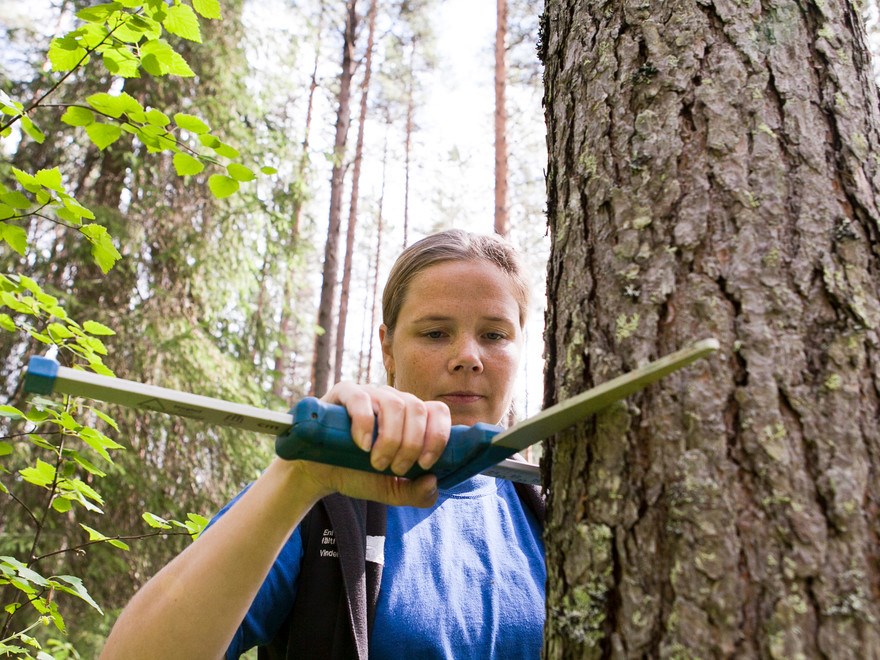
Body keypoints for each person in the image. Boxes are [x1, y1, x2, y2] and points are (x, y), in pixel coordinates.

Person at [100, 229, 546, 659]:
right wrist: (300, 478)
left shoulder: (553, 510)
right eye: (435, 333)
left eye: (494, 335)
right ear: (387, 349)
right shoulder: (317, 495)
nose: (468, 356)